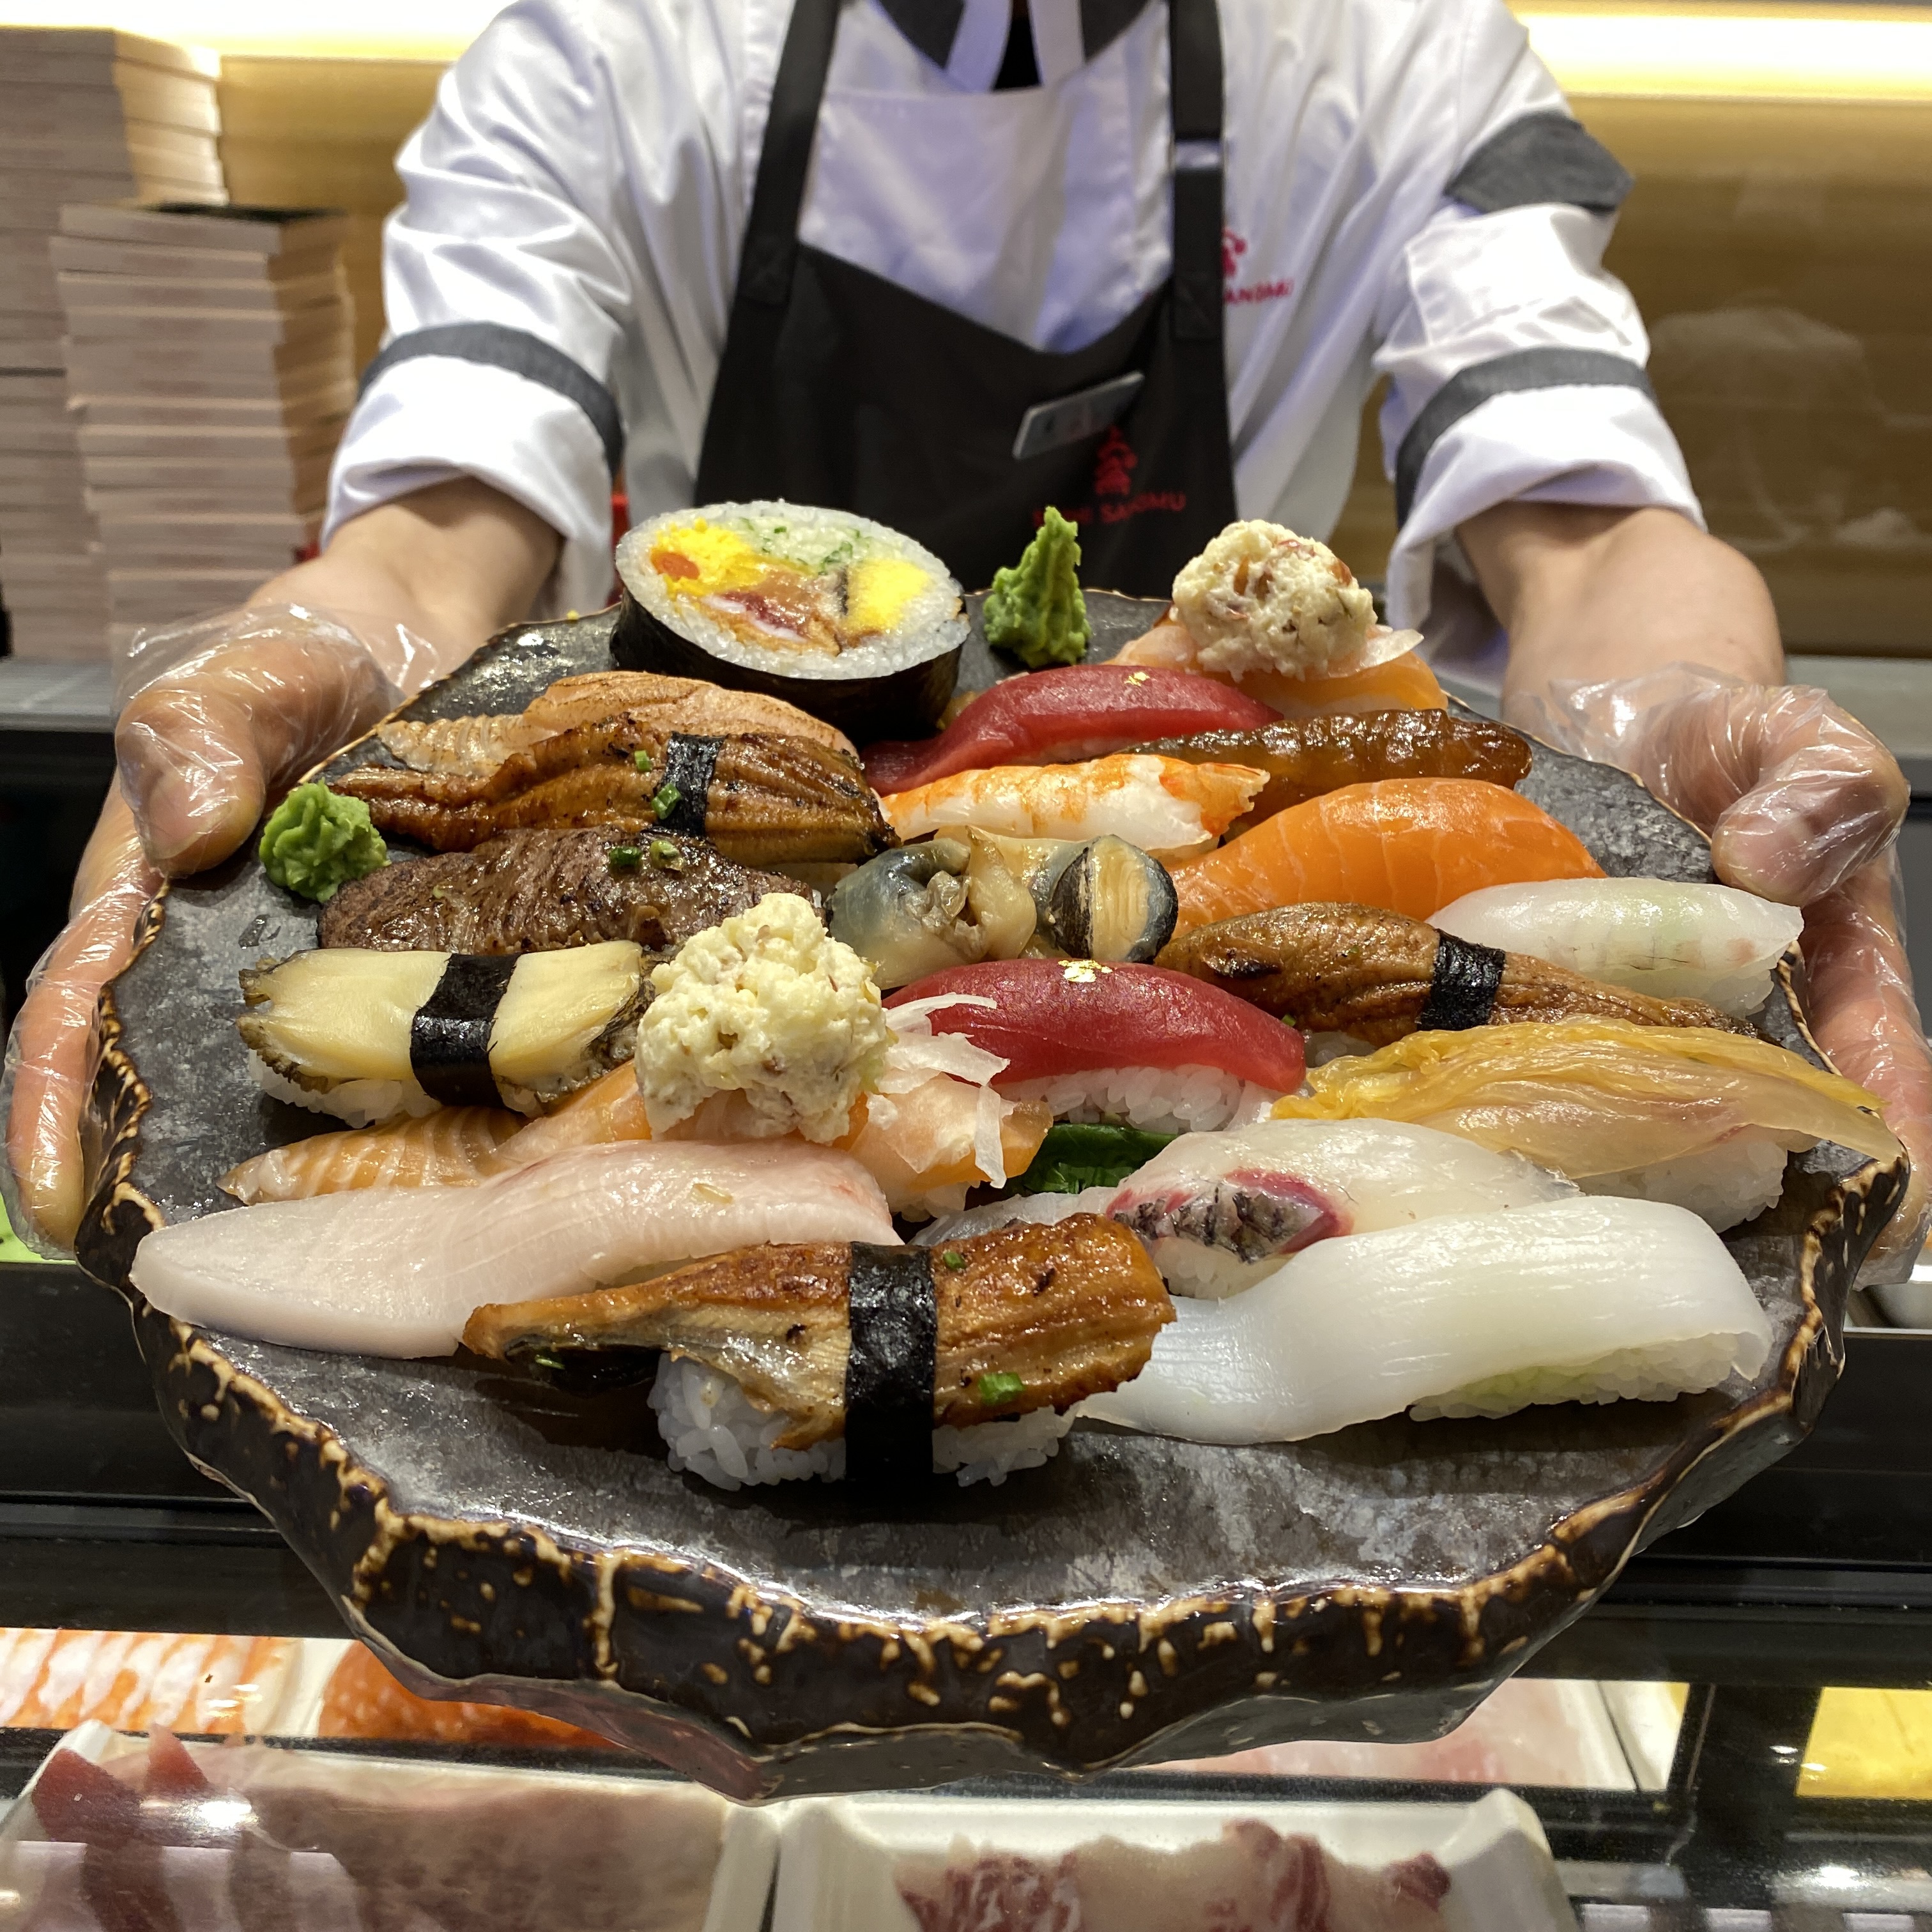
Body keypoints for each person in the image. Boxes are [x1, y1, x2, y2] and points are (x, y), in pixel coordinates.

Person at [5, 0, 1926, 1276]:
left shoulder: (1391, 45)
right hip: (718, 842)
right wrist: (319, 640)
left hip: (1207, 836)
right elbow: (438, 526)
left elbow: (1585, 522)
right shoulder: (609, 42)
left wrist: (1679, 700)